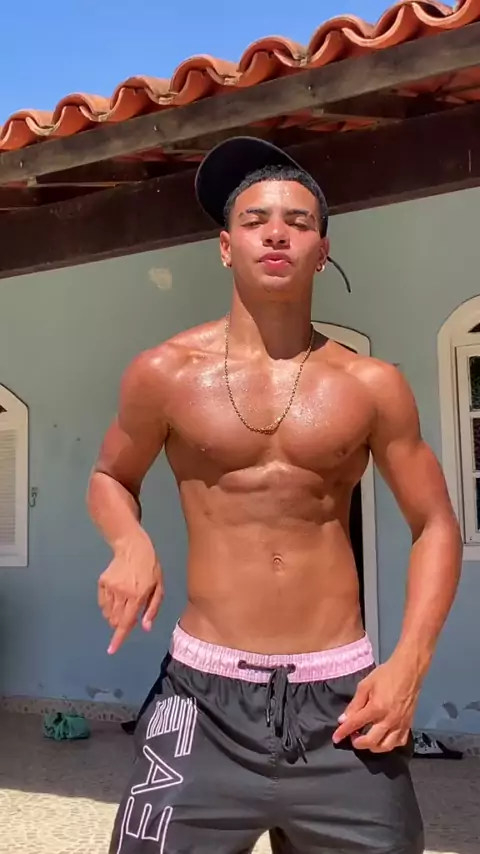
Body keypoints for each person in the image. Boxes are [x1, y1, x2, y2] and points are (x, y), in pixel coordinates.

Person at [87, 136, 462, 854]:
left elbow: (435, 523)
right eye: (255, 220)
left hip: (344, 702)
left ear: (322, 250)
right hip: (201, 698)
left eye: (298, 220)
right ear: (226, 248)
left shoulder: (372, 385)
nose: (277, 232)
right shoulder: (164, 374)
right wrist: (129, 541)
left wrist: (410, 665)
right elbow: (110, 477)